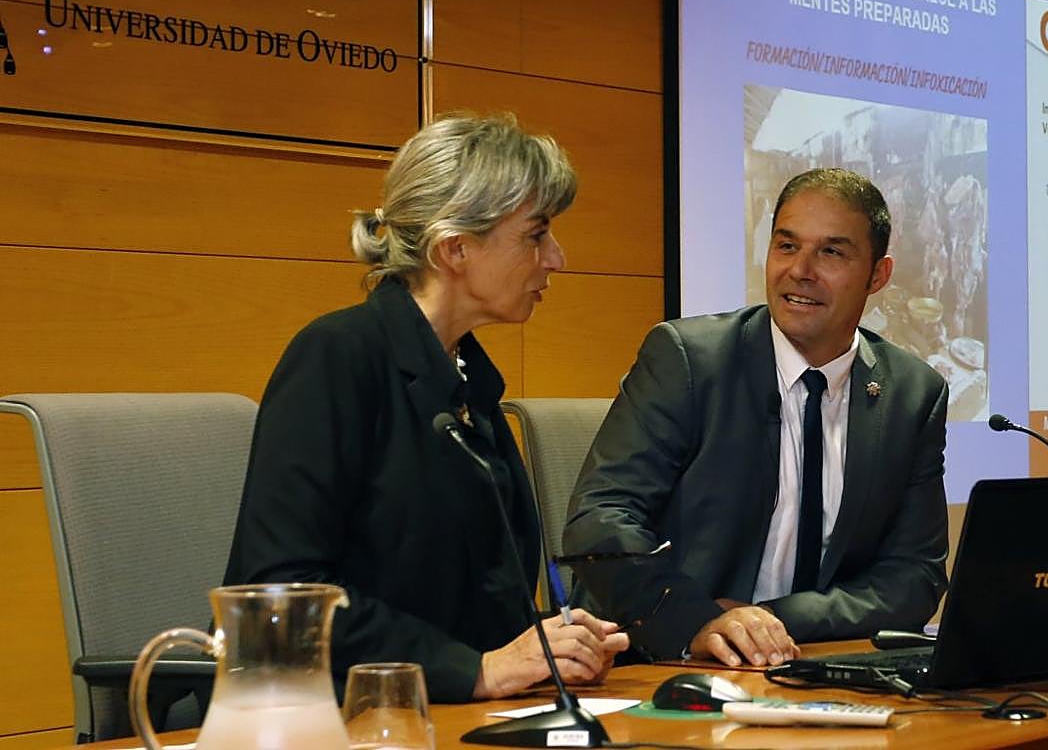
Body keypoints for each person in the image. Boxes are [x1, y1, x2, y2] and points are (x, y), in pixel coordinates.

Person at [223, 114, 628, 702]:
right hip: (327, 714)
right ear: (455, 248)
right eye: (536, 235)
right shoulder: (337, 357)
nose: (556, 258)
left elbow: (473, 593)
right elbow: (282, 596)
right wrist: (475, 669)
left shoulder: (468, 381)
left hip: (447, 713)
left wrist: (547, 643)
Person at [563, 167, 949, 667]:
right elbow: (600, 520)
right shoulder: (688, 359)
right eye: (787, 246)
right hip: (661, 662)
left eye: (831, 252)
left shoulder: (912, 394)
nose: (800, 270)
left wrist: (770, 619)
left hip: (802, 663)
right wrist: (697, 619)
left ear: (878, 275)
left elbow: (914, 574)